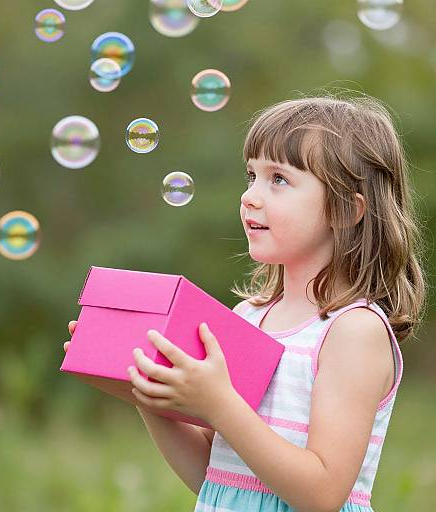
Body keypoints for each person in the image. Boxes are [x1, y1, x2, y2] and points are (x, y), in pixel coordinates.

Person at [63, 94, 427, 512]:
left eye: (279, 179)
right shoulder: (249, 316)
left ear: (346, 210)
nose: (250, 196)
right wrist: (148, 391)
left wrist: (220, 404)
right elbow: (215, 475)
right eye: (251, 175)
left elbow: (323, 493)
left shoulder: (352, 330)